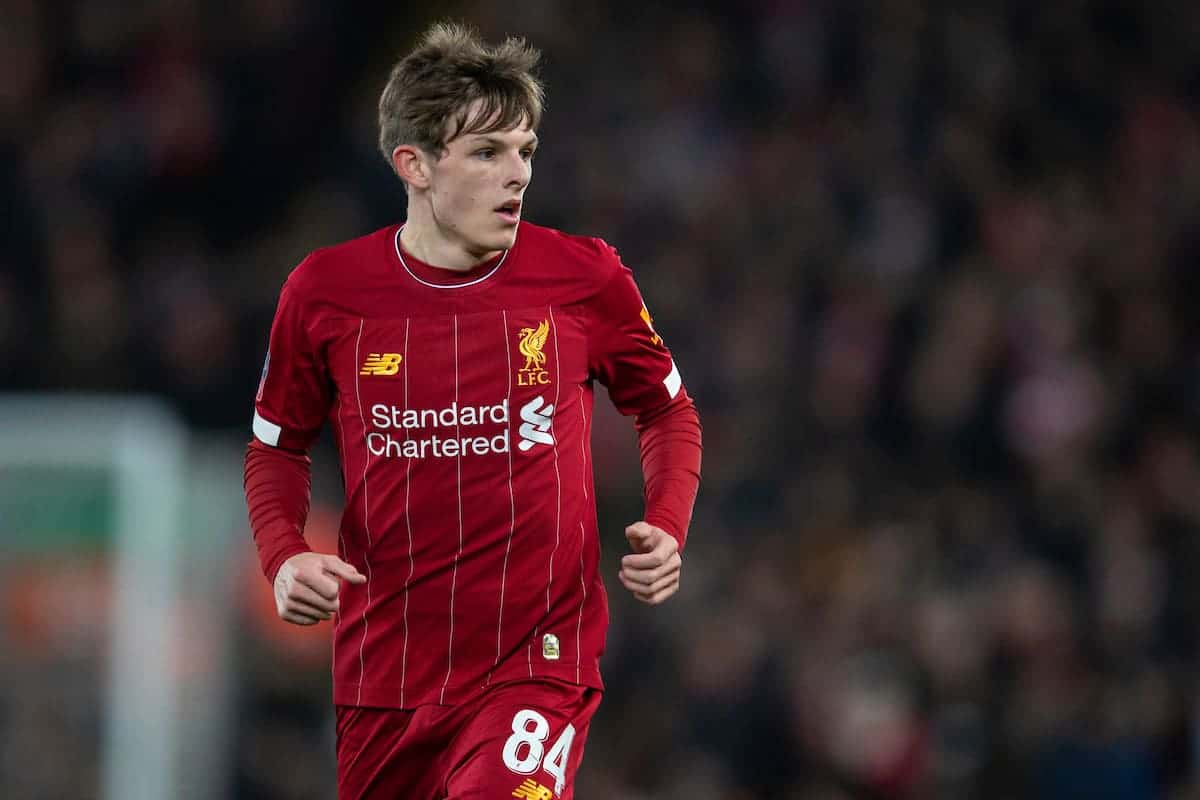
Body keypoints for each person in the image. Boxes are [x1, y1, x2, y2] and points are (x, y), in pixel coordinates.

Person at [243, 21, 702, 799]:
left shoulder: (583, 278)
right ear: (414, 165)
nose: (516, 174)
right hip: (383, 676)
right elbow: (276, 449)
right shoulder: (324, 294)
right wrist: (284, 554)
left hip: (534, 664)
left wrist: (669, 518)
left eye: (524, 150)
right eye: (488, 153)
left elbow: (668, 411)